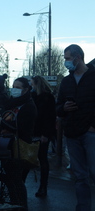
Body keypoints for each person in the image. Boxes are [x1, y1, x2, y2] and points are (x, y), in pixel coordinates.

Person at [0, 77, 37, 210]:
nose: (14, 89)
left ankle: (21, 206)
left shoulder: (29, 106)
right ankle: (13, 203)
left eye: (18, 87)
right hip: (6, 145)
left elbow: (21, 127)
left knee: (16, 180)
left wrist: (1, 122)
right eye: (13, 86)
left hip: (19, 146)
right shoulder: (11, 103)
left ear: (26, 90)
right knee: (10, 178)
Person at [56, 44, 95, 211]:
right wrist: (63, 108)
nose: (66, 62)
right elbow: (57, 106)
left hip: (90, 133)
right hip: (72, 133)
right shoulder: (66, 81)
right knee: (80, 177)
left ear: (78, 57)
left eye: (67, 58)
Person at [25, 75, 56, 197]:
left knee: (42, 158)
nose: (31, 86)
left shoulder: (48, 98)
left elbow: (50, 117)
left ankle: (43, 187)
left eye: (32, 84)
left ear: (37, 84)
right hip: (32, 132)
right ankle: (23, 185)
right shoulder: (31, 97)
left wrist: (46, 134)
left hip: (42, 133)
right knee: (28, 158)